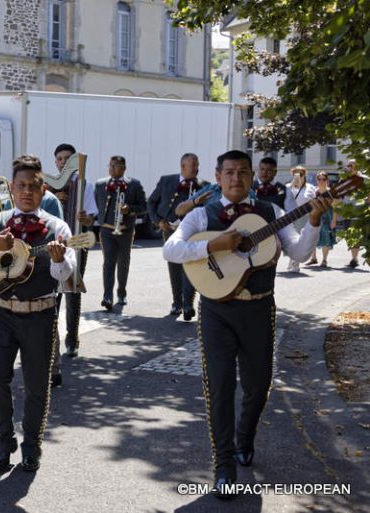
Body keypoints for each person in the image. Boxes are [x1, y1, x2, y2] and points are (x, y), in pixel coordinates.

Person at [163, 150, 329, 499]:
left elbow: (300, 254)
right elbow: (171, 250)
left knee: (258, 384)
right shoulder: (201, 214)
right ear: (218, 177)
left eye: (242, 172)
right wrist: (214, 245)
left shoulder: (271, 212)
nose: (235, 178)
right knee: (219, 387)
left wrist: (314, 220)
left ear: (252, 177)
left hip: (259, 308)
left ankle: (246, 436)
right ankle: (224, 466)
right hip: (217, 310)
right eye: (229, 172)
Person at [0, 154, 76, 473]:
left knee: (37, 385)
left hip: (41, 314)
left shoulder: (57, 227)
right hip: (2, 312)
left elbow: (65, 275)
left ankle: (32, 446)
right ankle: (4, 441)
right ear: (12, 187)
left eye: (33, 186)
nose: (27, 191)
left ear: (43, 190)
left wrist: (58, 259)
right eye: (21, 185)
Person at [51, 143, 97, 362]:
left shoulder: (84, 185)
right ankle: (51, 340)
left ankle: (72, 340)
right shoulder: (48, 187)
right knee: (52, 294)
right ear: (55, 162)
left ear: (75, 162)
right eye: (60, 159)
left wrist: (84, 218)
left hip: (77, 244)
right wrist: (55, 200)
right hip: (53, 247)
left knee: (72, 292)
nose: (63, 162)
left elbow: (91, 220)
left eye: (67, 158)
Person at [147, 153, 206, 320]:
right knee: (174, 267)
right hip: (170, 229)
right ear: (183, 167)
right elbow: (151, 202)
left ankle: (188, 305)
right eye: (193, 165)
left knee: (190, 266)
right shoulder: (166, 181)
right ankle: (177, 303)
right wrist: (158, 221)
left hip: (193, 232)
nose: (197, 169)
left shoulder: (203, 185)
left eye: (197, 165)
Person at [94, 156, 146, 309]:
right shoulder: (100, 184)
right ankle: (107, 296)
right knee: (108, 262)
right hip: (107, 229)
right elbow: (97, 205)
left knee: (123, 262)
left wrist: (129, 209)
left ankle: (121, 292)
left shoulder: (134, 184)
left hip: (126, 230)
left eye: (115, 166)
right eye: (110, 165)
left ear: (123, 168)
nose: (111, 168)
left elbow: (144, 206)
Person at [284, 166, 317, 271]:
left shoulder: (310, 187)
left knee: (300, 239)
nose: (298, 176)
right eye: (295, 174)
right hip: (290, 216)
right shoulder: (288, 187)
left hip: (304, 216)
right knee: (291, 240)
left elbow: (314, 202)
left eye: (300, 174)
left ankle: (296, 264)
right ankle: (292, 259)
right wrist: (292, 184)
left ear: (304, 175)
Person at [314, 171, 338, 267]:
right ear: (316, 180)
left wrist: (334, 220)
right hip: (316, 217)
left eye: (323, 179)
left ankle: (324, 260)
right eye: (319, 179)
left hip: (328, 217)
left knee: (326, 237)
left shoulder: (331, 193)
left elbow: (336, 208)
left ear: (327, 180)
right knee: (313, 237)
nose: (321, 181)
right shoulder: (314, 192)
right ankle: (313, 258)